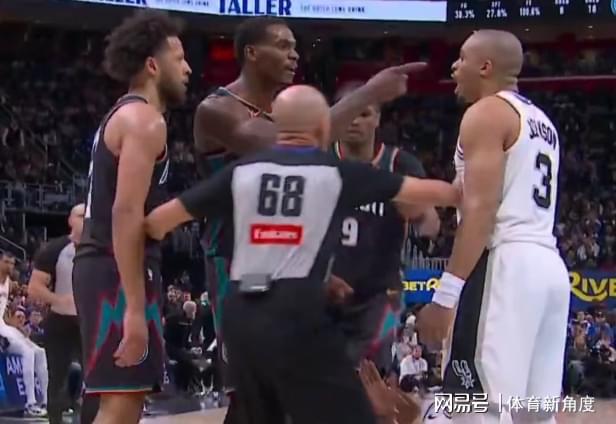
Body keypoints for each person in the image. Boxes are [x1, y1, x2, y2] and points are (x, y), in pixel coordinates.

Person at [145, 84, 459, 424]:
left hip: (240, 312)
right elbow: (438, 193)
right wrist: (469, 186)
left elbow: (158, 222)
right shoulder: (333, 171)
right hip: (298, 310)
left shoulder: (242, 172)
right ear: (324, 127)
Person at [193, 16, 427, 421]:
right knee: (253, 392)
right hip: (236, 264)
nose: (294, 55)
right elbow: (287, 147)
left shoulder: (281, 109)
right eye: (283, 46)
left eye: (295, 46)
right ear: (252, 53)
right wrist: (368, 93)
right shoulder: (217, 109)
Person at [417, 30, 569, 424]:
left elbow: (481, 209)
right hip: (548, 267)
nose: (454, 67)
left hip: (505, 266)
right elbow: (468, 191)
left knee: (475, 410)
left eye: (462, 58)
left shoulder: (485, 113)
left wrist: (444, 297)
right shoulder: (542, 122)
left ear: (485, 66)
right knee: (534, 415)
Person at [72, 10, 191, 424]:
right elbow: (125, 212)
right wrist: (135, 309)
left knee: (123, 402)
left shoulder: (124, 115)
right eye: (179, 58)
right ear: (153, 66)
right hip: (116, 269)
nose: (188, 68)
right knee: (121, 406)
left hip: (107, 266)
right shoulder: (144, 120)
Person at [329, 83, 440, 376]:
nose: (355, 121)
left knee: (368, 377)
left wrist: (421, 218)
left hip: (380, 293)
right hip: (322, 286)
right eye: (349, 113)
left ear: (377, 118)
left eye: (364, 114)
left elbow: (430, 221)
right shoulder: (319, 160)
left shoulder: (400, 164)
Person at [27, 203, 99, 424]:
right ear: (70, 220)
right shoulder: (55, 249)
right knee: (57, 376)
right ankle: (55, 420)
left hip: (90, 321)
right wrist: (58, 299)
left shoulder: (100, 248)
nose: (85, 220)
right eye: (80, 216)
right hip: (60, 320)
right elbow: (34, 288)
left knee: (95, 377)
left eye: (88, 216)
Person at [0, 252, 48, 417]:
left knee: (40, 352)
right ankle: (30, 403)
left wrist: (16, 327)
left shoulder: (9, 283)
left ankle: (45, 402)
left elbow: (4, 313)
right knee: (28, 353)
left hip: (4, 326)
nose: (10, 266)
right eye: (6, 262)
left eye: (12, 263)